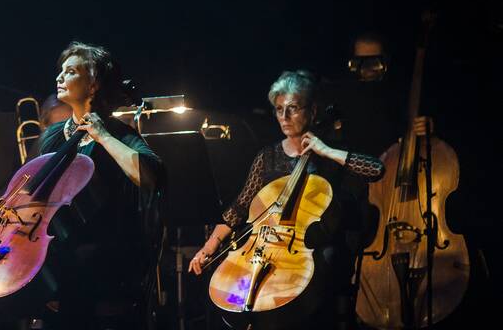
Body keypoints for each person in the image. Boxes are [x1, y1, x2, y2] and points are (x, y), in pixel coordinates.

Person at [188, 70, 386, 328]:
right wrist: (209, 247)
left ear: (313, 112)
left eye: (292, 108)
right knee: (231, 291)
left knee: (325, 266)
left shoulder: (330, 155)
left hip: (313, 252)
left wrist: (327, 151)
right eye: (279, 109)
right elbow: (239, 208)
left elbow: (376, 170)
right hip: (264, 248)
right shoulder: (267, 157)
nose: (284, 116)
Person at [35, 42, 164, 328]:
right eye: (61, 71)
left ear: (93, 85)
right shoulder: (52, 137)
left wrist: (102, 135)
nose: (59, 78)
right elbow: (28, 196)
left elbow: (151, 177)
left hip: (106, 270)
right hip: (58, 268)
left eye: (70, 72)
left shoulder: (118, 134)